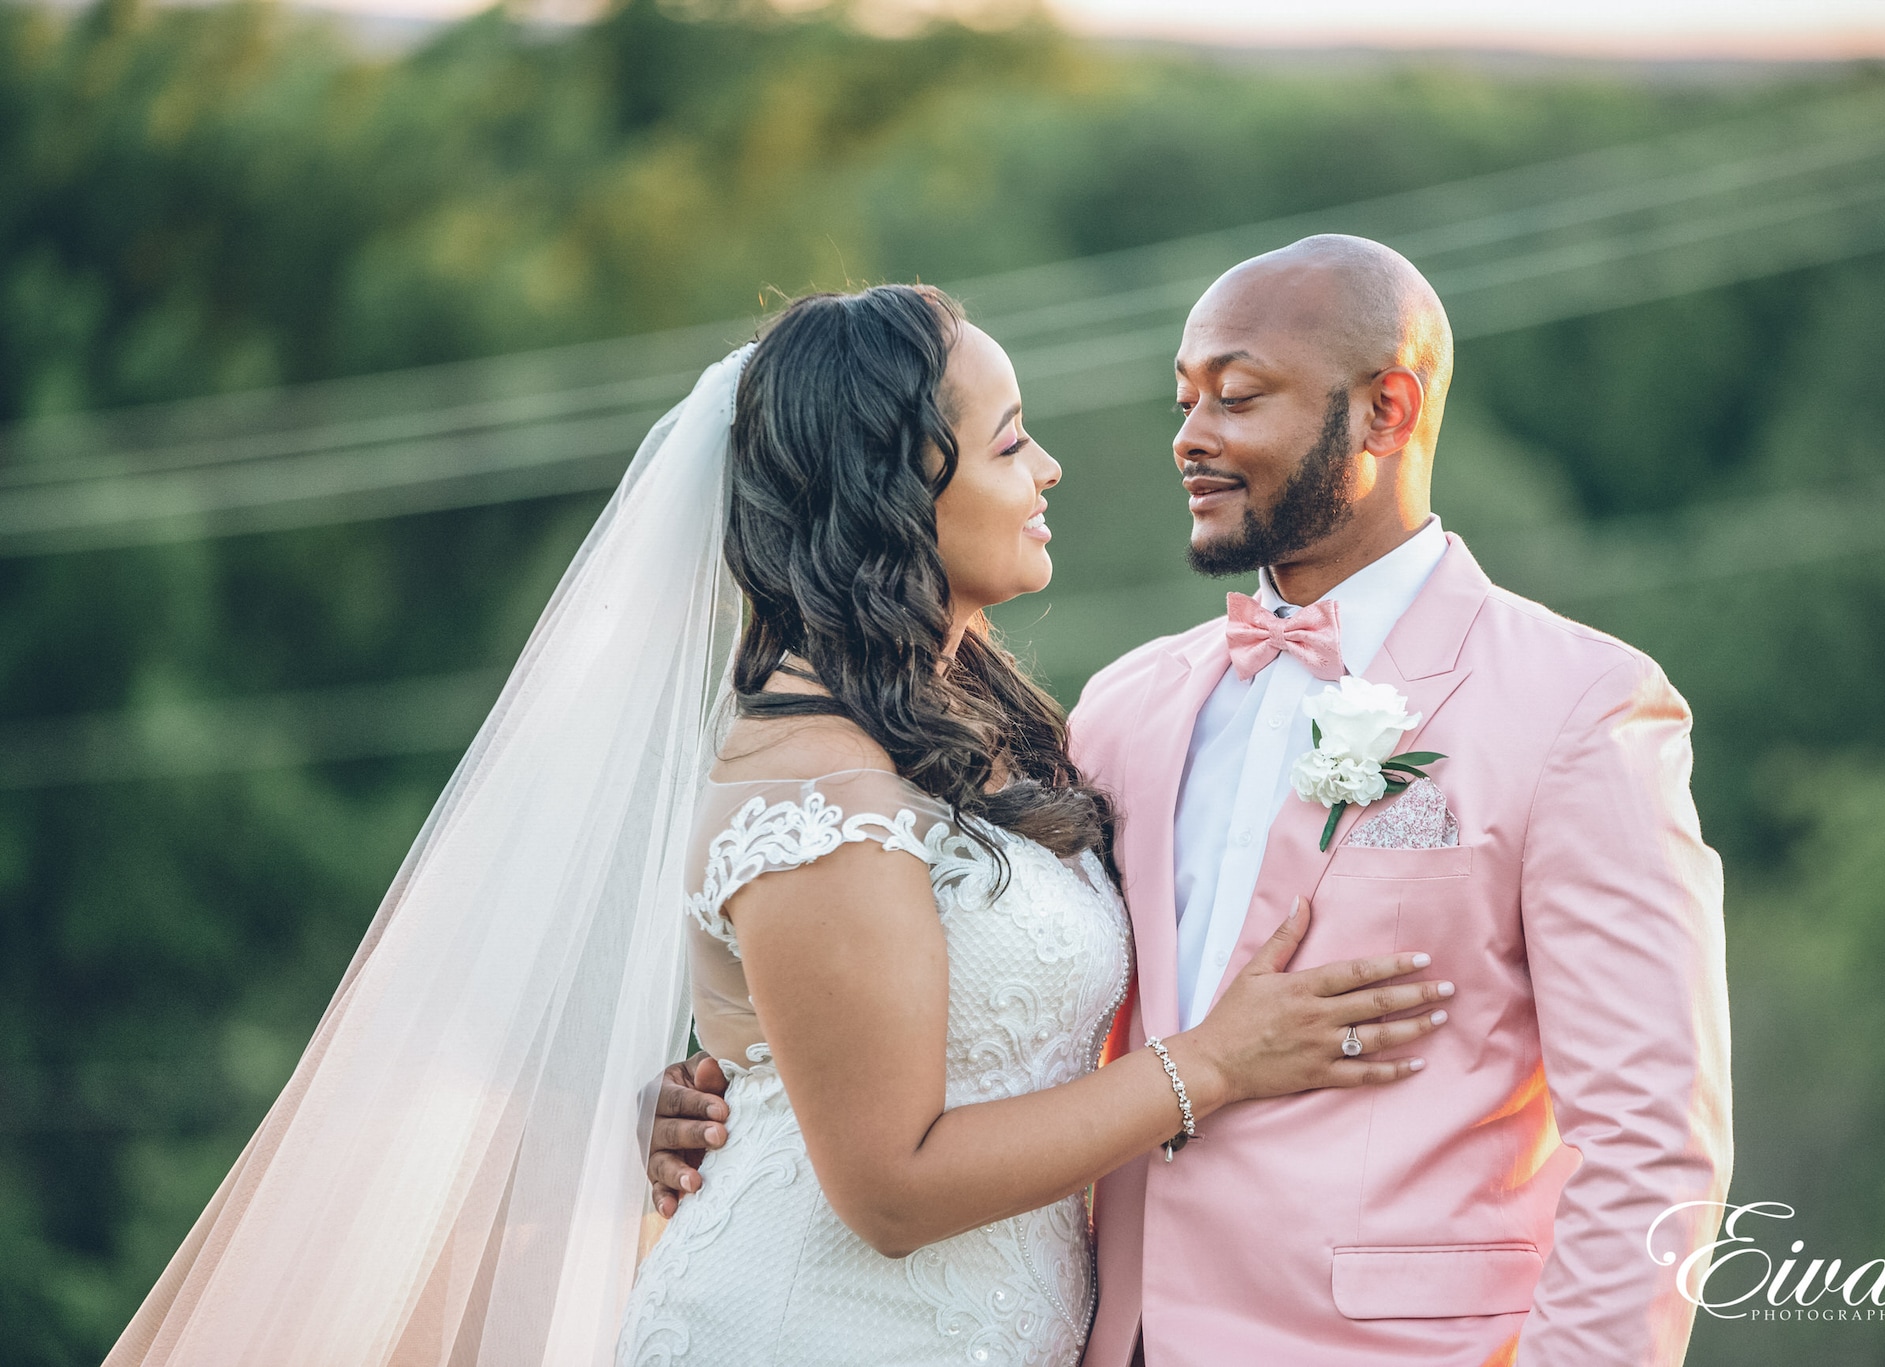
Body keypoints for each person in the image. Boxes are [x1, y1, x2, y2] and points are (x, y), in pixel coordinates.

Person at [104, 282, 1453, 1367]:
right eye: (1006, 441)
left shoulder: (963, 729)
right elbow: (890, 1184)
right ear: (893, 489)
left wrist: (732, 1087)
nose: (1046, 467)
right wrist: (1209, 1066)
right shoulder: (816, 784)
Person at [652, 242, 1735, 1367]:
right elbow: (956, 985)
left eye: (1238, 395)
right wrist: (728, 1095)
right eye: (1183, 398)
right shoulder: (1124, 709)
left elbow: (1653, 1142)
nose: (1189, 436)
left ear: (1383, 410)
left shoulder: (1579, 709)